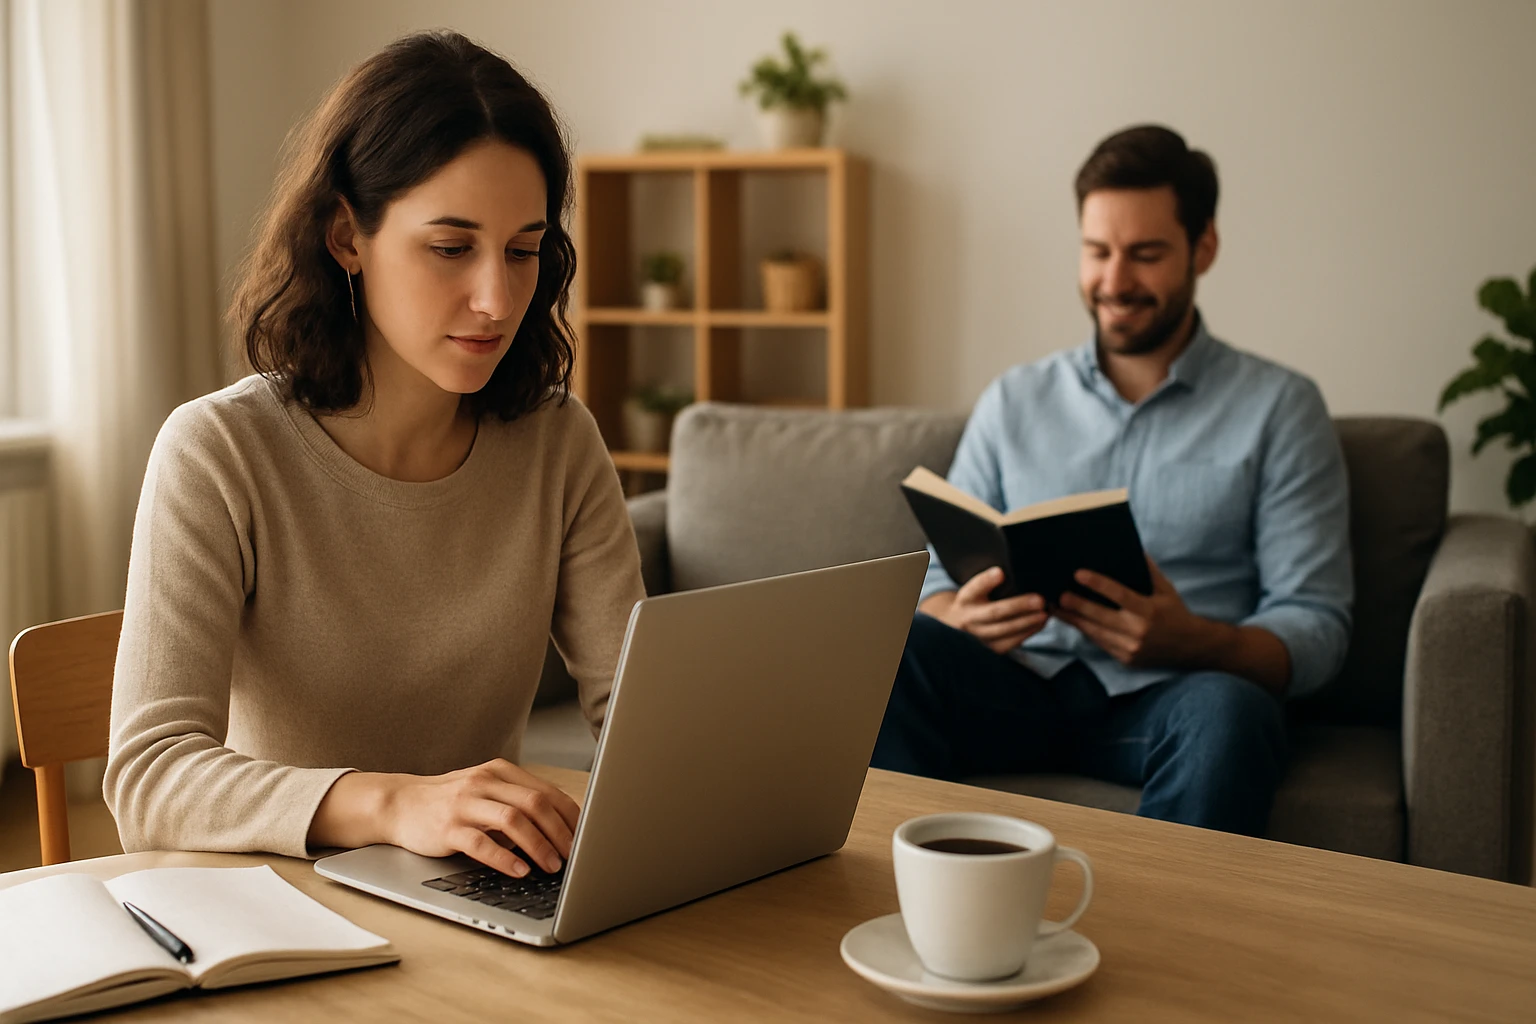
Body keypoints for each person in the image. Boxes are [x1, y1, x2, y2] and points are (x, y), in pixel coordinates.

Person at [104, 31, 645, 880]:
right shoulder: (218, 454)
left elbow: (638, 719)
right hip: (282, 909)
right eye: (450, 247)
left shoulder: (558, 444)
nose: (496, 298)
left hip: (481, 904)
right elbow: (150, 781)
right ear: (347, 238)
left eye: (524, 249)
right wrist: (394, 804)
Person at [871, 125, 1353, 837]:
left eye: (1146, 254)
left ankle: (1164, 945)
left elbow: (1317, 624)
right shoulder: (1015, 399)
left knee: (1234, 713)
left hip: (1176, 696)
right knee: (896, 653)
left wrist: (1194, 642)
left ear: (1204, 248)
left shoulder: (1280, 408)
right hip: (1015, 685)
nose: (1115, 281)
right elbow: (933, 584)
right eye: (1097, 252)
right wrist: (960, 617)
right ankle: (921, 913)